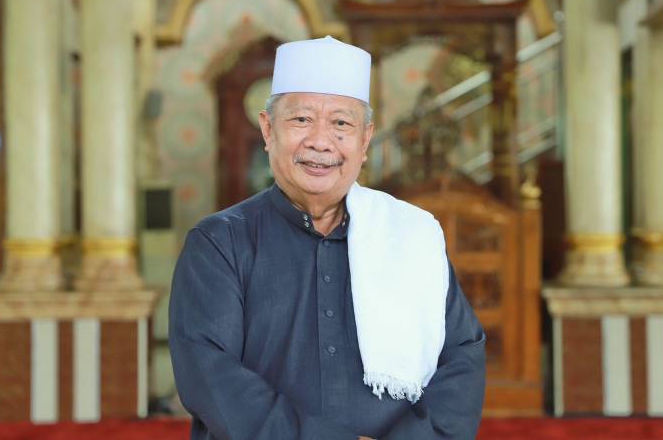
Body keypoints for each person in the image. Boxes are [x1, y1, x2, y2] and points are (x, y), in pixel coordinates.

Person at [169, 36, 486, 440]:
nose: (320, 142)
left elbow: (462, 359)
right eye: (302, 120)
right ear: (268, 129)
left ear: (365, 140)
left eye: (341, 124)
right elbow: (210, 376)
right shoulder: (220, 243)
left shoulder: (411, 234)